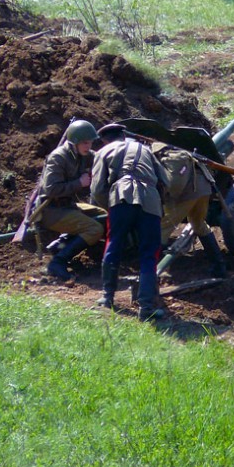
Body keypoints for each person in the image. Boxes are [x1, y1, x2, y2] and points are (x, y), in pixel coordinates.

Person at [90, 123, 171, 320]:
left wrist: (109, 205)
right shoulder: (145, 150)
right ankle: (146, 308)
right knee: (149, 254)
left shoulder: (103, 151)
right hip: (150, 200)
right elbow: (166, 181)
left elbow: (97, 189)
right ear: (123, 135)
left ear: (104, 140)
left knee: (114, 244)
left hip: (120, 197)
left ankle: (107, 297)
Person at [35, 120, 105, 280]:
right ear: (74, 143)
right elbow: (51, 189)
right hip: (51, 210)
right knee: (94, 229)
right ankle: (58, 262)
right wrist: (78, 183)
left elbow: (102, 157)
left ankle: (60, 245)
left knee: (103, 216)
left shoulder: (83, 155)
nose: (89, 146)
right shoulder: (58, 158)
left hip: (68, 205)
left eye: (91, 142)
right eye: (85, 143)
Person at [153, 143, 226, 277]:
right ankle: (219, 268)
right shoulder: (180, 154)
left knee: (161, 228)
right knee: (198, 223)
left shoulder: (159, 158)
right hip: (204, 189)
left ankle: (152, 272)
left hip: (187, 193)